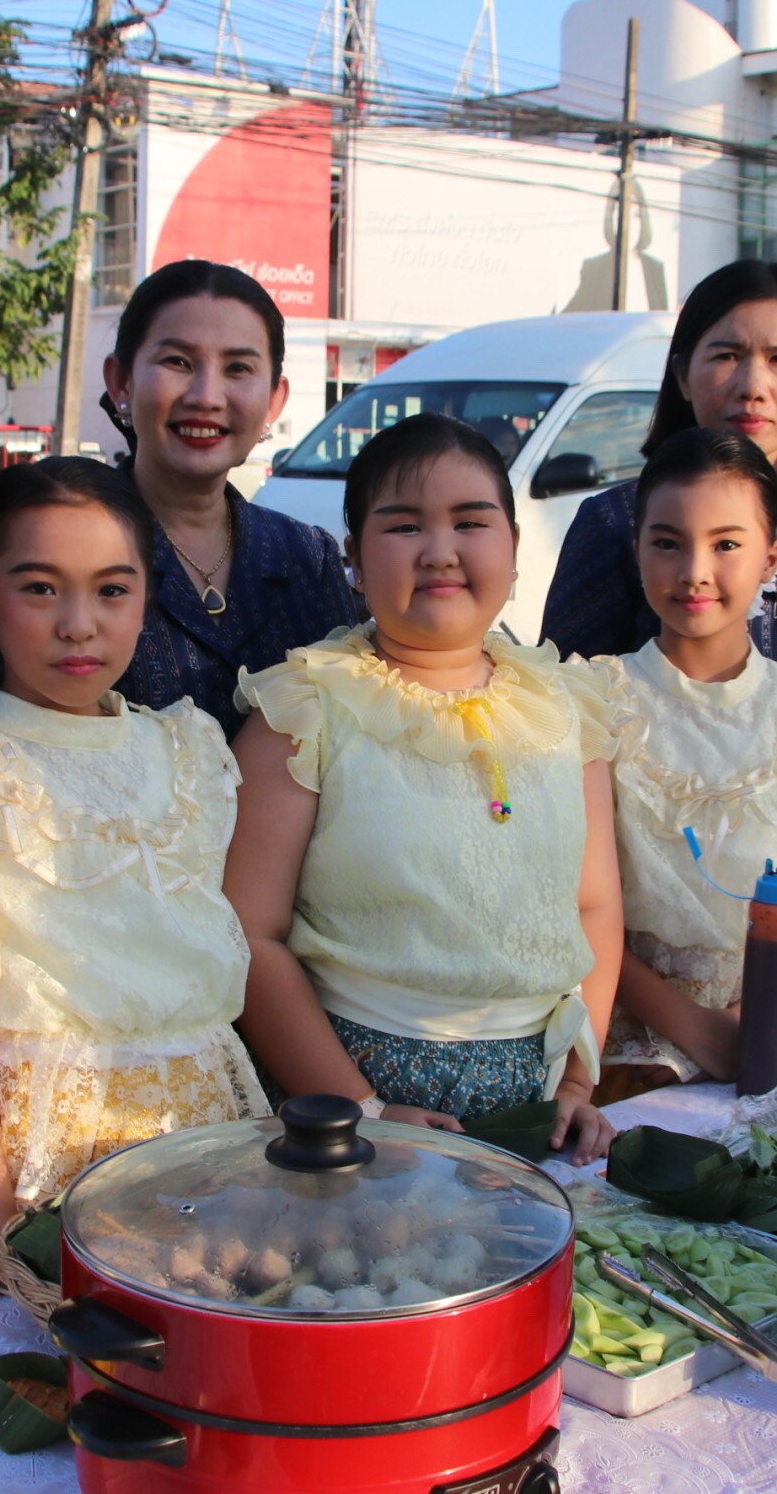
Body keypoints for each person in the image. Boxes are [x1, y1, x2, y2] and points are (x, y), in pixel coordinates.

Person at [0, 458, 267, 1317]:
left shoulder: (187, 753)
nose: (79, 624)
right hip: (37, 1177)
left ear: (146, 602)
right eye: (40, 589)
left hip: (205, 1146)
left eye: (112, 591)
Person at [224, 413, 625, 1162]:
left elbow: (595, 906)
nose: (440, 551)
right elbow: (249, 933)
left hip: (536, 1109)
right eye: (405, 526)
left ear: (513, 545)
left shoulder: (569, 707)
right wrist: (361, 1110)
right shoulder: (306, 708)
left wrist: (576, 1083)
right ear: (353, 557)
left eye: (470, 522)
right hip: (351, 1106)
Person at [542, 260, 777, 1021]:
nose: (753, 384)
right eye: (726, 354)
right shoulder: (615, 523)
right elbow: (563, 729)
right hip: (642, 953)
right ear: (682, 371)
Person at [580, 428, 777, 1102]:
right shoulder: (595, 702)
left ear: (772, 557)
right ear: (637, 549)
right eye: (667, 543)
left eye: (726, 544)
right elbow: (579, 904)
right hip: (635, 1052)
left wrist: (754, 1018)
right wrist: (697, 1029)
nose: (694, 571)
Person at [103, 259, 357, 736]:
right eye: (177, 362)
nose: (206, 396)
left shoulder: (309, 559)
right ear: (122, 382)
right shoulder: (63, 547)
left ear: (274, 400)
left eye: (238, 368)